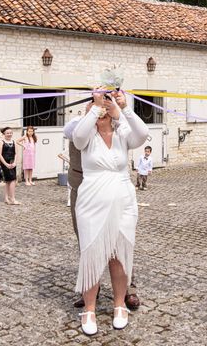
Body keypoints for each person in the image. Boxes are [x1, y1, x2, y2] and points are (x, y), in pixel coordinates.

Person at [72, 90, 149, 335]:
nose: (103, 109)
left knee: (119, 254)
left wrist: (124, 109)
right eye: (97, 107)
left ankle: (119, 304)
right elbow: (77, 136)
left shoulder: (122, 133)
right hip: (92, 201)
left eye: (106, 104)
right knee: (92, 253)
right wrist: (94, 107)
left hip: (124, 200)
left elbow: (142, 134)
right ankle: (90, 309)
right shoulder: (85, 136)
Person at [0, 127, 20, 205]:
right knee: (12, 180)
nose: (9, 134)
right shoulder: (1, 142)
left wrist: (15, 162)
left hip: (12, 162)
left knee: (8, 181)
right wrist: (5, 164)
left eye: (10, 133)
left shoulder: (14, 142)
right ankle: (12, 198)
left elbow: (16, 153)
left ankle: (7, 198)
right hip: (5, 163)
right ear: (4, 134)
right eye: (7, 133)